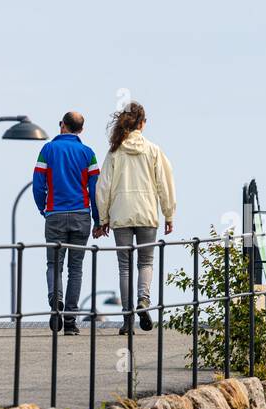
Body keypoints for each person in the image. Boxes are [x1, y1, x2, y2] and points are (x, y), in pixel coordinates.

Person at [94, 101, 176, 334]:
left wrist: (103, 218)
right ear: (142, 123)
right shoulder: (154, 150)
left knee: (124, 267)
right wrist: (169, 213)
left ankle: (127, 319)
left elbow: (104, 187)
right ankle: (143, 300)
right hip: (147, 212)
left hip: (121, 214)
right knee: (146, 262)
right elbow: (165, 183)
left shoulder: (114, 152)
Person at [32, 111, 100, 334]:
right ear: (81, 130)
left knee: (54, 265)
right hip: (81, 215)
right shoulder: (88, 154)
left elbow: (37, 185)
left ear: (62, 125)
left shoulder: (48, 150)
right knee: (76, 269)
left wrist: (44, 208)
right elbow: (95, 190)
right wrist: (98, 219)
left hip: (55, 215)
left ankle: (55, 302)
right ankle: (70, 321)